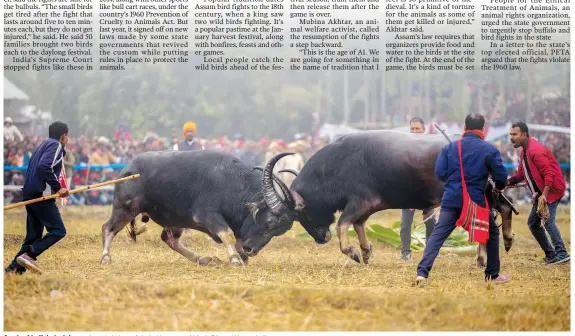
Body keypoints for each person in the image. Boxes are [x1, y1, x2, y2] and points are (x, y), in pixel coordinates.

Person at [415, 114, 511, 284]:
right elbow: (501, 176)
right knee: (493, 233)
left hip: (451, 199)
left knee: (437, 236)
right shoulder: (489, 149)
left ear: (465, 127)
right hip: (475, 202)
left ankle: (422, 273)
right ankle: (492, 274)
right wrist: (499, 186)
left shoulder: (450, 148)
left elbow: (440, 172)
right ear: (482, 129)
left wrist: (454, 183)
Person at [4, 121, 70, 275]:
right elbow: (44, 166)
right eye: (68, 135)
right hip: (42, 194)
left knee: (33, 235)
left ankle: (12, 270)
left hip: (30, 192)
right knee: (58, 230)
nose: (68, 138)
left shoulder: (42, 145)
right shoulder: (55, 146)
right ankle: (30, 254)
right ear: (63, 136)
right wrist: (58, 187)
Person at [506, 122, 570, 265]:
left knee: (548, 221)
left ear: (524, 135)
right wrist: (507, 183)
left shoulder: (536, 150)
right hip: (541, 192)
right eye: (510, 134)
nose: (511, 137)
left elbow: (549, 172)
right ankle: (551, 253)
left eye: (515, 134)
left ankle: (562, 252)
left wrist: (545, 195)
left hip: (551, 190)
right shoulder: (524, 152)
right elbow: (521, 174)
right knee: (533, 223)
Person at [400, 118, 437, 261]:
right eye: (412, 129)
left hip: (427, 191)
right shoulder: (404, 148)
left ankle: (431, 251)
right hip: (409, 191)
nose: (414, 132)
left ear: (424, 130)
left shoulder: (432, 146)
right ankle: (405, 252)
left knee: (430, 221)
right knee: (405, 223)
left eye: (417, 129)